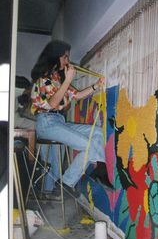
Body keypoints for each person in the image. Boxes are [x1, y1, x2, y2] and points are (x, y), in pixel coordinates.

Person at [31, 40, 113, 197]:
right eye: (65, 58)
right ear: (55, 58)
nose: (67, 61)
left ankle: (99, 170)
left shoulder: (57, 79)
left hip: (58, 122)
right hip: (46, 123)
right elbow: (52, 103)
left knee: (95, 132)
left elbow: (78, 95)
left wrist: (96, 86)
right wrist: (68, 79)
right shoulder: (43, 79)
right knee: (87, 146)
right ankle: (66, 183)